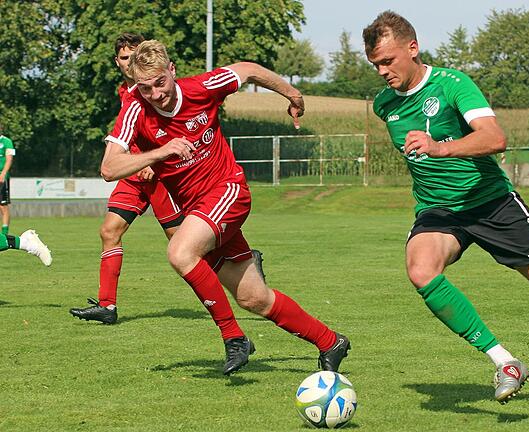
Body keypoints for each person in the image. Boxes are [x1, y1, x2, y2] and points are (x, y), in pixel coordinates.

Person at [363, 11, 529, 412]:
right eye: (375, 65)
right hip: (440, 211)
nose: (383, 71)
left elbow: (495, 138)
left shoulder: (453, 85)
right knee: (421, 270)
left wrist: (440, 146)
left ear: (412, 47)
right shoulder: (384, 105)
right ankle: (506, 362)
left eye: (388, 61)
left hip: (492, 203)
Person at [99, 40, 349, 375]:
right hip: (200, 211)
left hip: (228, 191)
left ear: (171, 70)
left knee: (179, 252)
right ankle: (330, 341)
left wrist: (293, 94)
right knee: (253, 298)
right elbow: (109, 168)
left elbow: (248, 70)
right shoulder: (135, 110)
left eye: (160, 82)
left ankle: (234, 338)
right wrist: (161, 152)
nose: (156, 94)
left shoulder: (201, 88)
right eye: (145, 88)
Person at [70, 33, 185, 325]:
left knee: (182, 245)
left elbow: (174, 129)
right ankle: (107, 306)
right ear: (118, 61)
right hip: (133, 176)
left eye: (134, 56)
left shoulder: (157, 89)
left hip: (159, 176)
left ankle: (241, 258)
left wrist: (155, 160)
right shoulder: (127, 91)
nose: (129, 62)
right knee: (109, 231)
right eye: (124, 58)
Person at [0, 122, 14, 235]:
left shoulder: (7, 142)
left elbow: (9, 159)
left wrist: (3, 173)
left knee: (3, 206)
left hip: (1, 177)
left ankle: (4, 234)